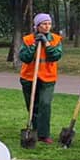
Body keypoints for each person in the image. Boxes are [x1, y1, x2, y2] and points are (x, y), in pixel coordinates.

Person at [18, 13, 63, 144]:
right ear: (37, 26)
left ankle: (44, 134)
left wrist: (46, 43)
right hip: (29, 77)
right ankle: (35, 130)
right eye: (44, 24)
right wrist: (34, 45)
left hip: (48, 77)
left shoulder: (55, 39)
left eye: (49, 23)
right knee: (33, 106)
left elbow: (55, 56)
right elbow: (24, 57)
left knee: (45, 104)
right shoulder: (28, 39)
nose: (47, 26)